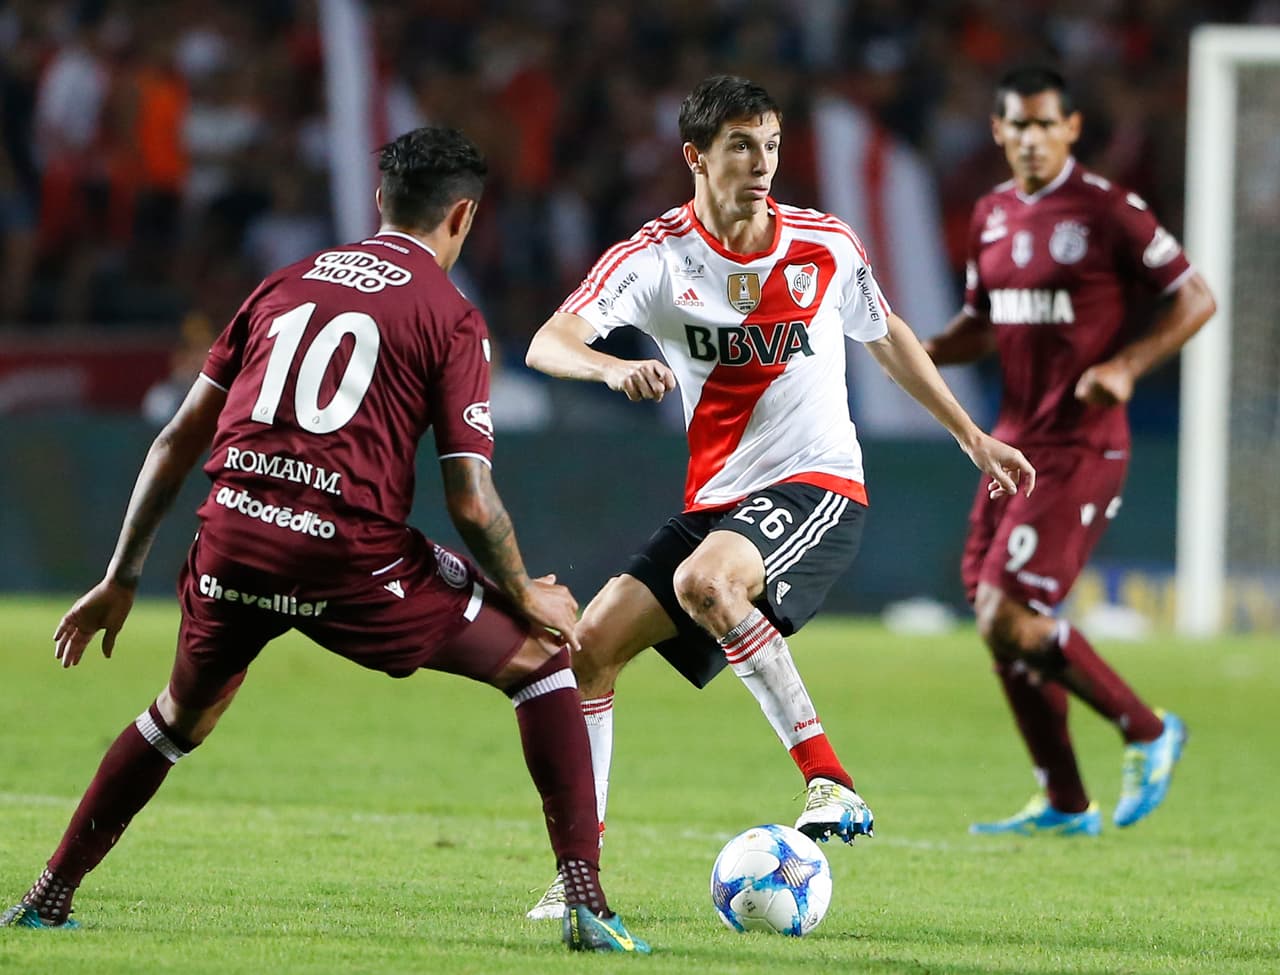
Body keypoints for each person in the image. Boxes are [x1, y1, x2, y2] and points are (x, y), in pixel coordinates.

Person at [0, 127, 648, 954]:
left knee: (178, 716)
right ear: (463, 216)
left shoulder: (282, 284)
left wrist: (120, 574)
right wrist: (527, 594)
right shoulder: (451, 317)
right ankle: (585, 899)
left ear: (379, 201)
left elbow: (173, 440)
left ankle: (48, 893)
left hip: (231, 539)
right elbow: (472, 500)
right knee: (543, 658)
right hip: (348, 554)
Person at [522, 74, 1036, 918]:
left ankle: (829, 780)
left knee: (706, 583)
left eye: (771, 145)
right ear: (696, 156)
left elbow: (887, 335)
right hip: (716, 500)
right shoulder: (655, 257)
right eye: (740, 146)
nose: (762, 163)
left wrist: (968, 434)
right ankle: (578, 875)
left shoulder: (823, 243)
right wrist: (612, 365)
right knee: (588, 646)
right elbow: (551, 340)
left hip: (817, 482)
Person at [923, 67, 1216, 836]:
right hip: (1008, 447)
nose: (1030, 137)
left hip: (1080, 445)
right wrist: (911, 352)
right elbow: (979, 325)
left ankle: (1149, 730)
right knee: (995, 617)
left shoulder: (1106, 209)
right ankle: (1064, 800)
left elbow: (1196, 297)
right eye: (1016, 125)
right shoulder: (989, 216)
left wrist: (1123, 366)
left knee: (1009, 616)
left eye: (1044, 124)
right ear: (997, 131)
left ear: (1071, 128)